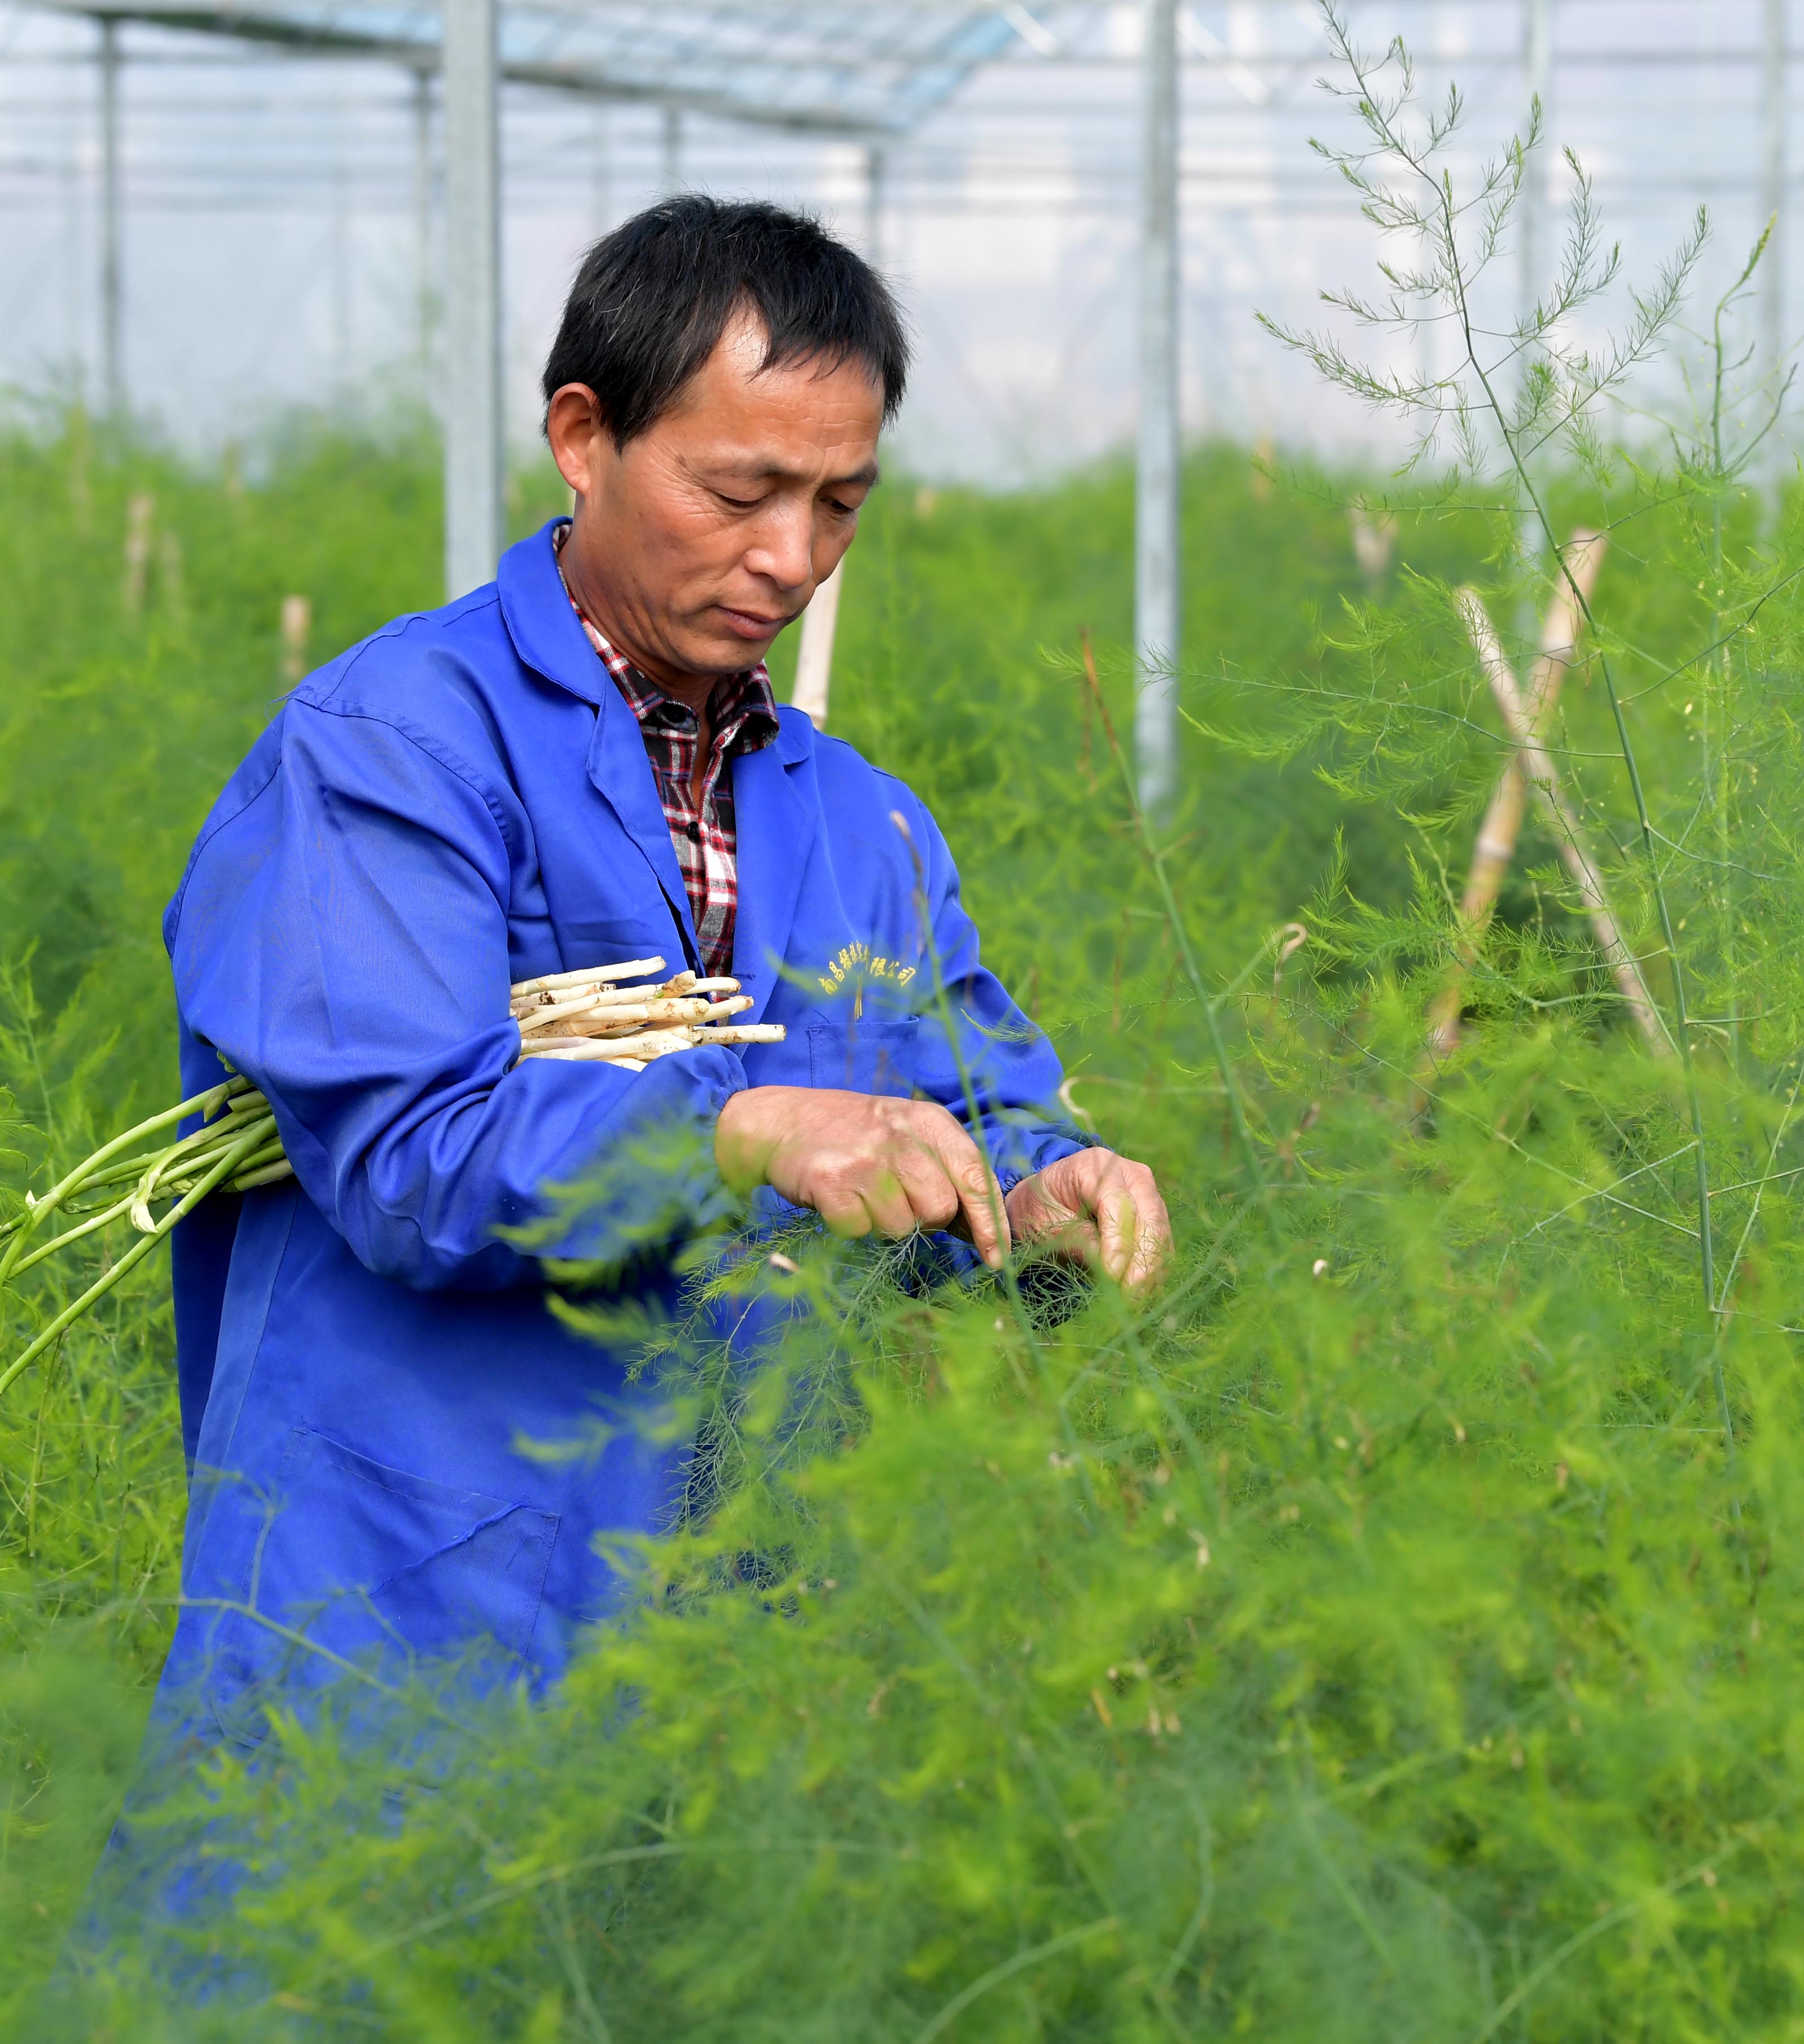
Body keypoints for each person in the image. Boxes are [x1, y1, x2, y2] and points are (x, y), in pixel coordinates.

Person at [152, 198, 1171, 1740]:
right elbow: (408, 1153)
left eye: (839, 503)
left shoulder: (859, 822)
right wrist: (744, 1129)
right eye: (740, 489)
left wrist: (1033, 1194)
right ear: (584, 435)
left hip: (736, 1629)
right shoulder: (397, 752)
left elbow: (965, 1101)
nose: (791, 558)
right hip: (405, 1598)